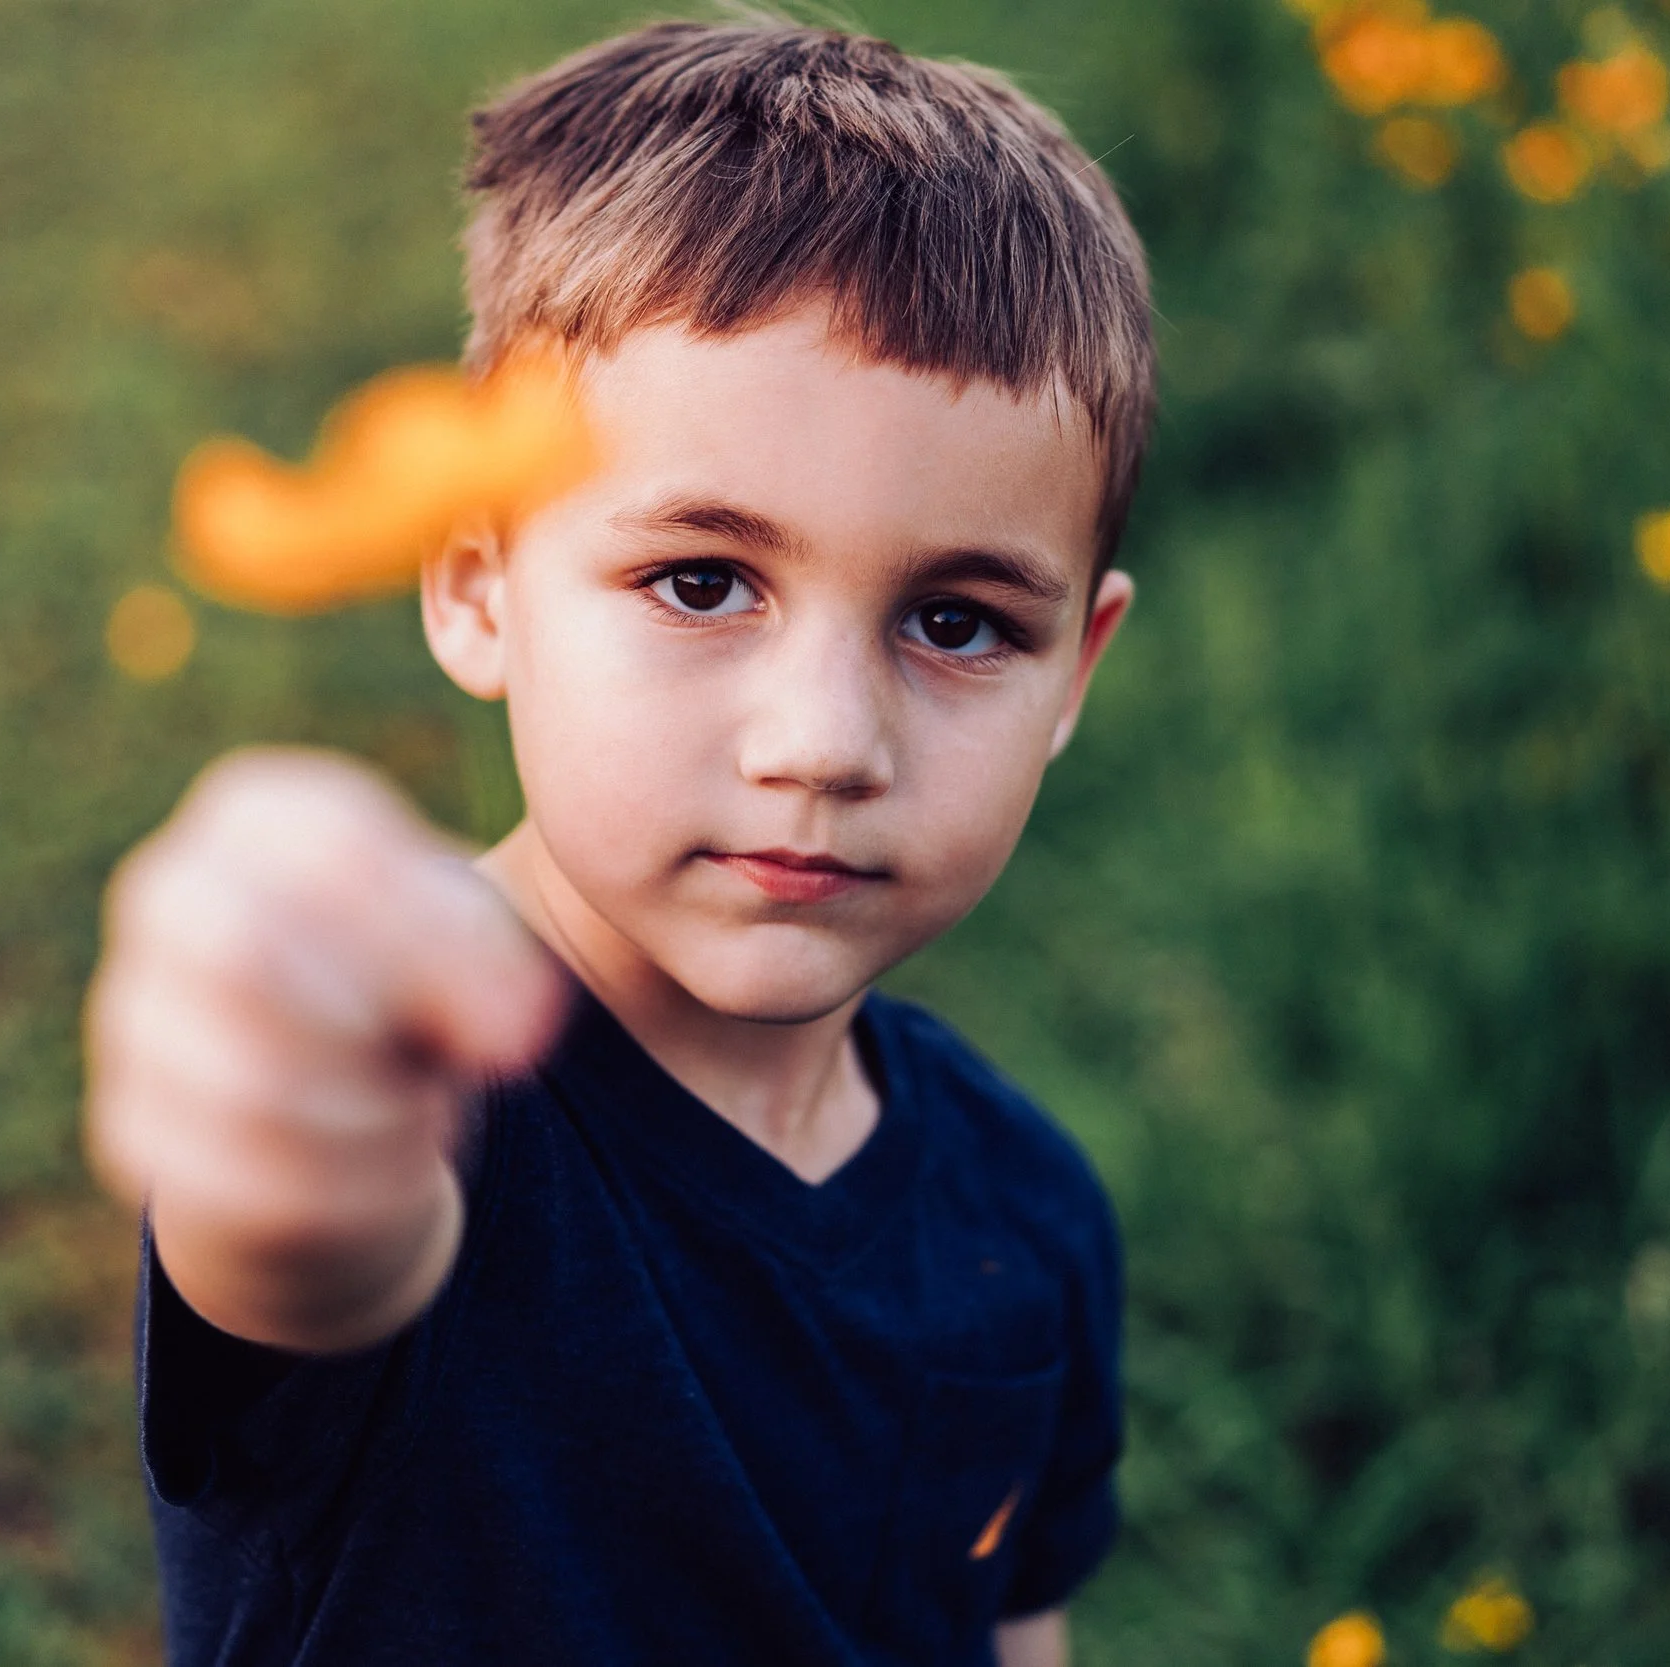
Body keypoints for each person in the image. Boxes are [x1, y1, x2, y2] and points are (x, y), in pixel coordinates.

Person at [82, 17, 1156, 1665]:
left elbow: (1015, 1626)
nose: (824, 742)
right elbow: (313, 1234)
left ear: (1075, 671)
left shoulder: (1030, 1211)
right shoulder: (432, 1100)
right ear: (476, 586)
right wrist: (280, 1095)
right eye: (702, 581)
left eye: (954, 619)